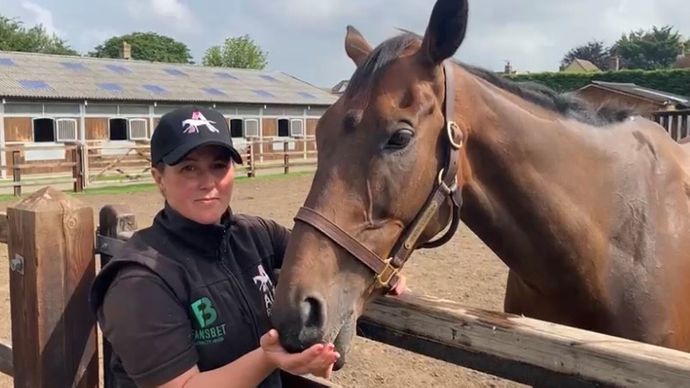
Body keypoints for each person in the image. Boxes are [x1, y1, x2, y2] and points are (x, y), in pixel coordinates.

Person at [89, 106, 343, 388]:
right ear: (159, 179)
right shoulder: (139, 281)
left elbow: (323, 254)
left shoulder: (255, 234)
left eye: (219, 165)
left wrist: (387, 272)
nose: (208, 183)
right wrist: (268, 359)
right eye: (189, 168)